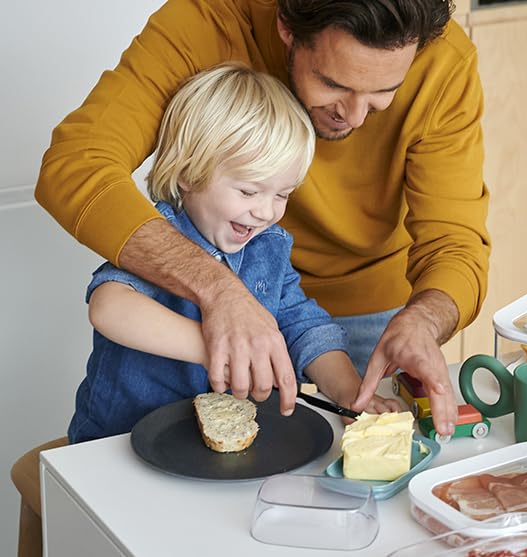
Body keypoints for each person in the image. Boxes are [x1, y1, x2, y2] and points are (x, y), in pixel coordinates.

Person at [36, 0, 490, 437]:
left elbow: (454, 244)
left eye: (382, 94)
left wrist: (418, 326)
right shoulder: (208, 18)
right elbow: (79, 165)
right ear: (287, 27)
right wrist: (220, 299)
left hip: (352, 323)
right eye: (333, 83)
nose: (354, 116)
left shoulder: (443, 60)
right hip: (162, 408)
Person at [68, 63, 400, 443]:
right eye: (248, 191)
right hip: (116, 445)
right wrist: (223, 348)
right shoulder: (159, 237)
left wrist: (350, 395)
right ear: (188, 174)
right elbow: (109, 308)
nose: (265, 211)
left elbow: (305, 327)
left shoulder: (268, 247)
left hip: (216, 450)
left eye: (282, 195)